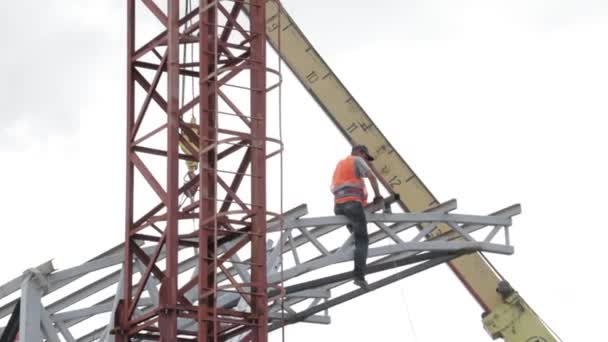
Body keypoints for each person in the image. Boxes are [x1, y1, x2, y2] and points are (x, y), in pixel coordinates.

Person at [331, 144, 382, 289]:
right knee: (362, 239)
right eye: (366, 157)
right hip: (352, 205)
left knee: (356, 236)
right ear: (360, 152)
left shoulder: (341, 164)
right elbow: (372, 177)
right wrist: (378, 196)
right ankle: (359, 276)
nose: (367, 161)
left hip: (339, 206)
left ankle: (355, 262)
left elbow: (343, 187)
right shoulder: (356, 160)